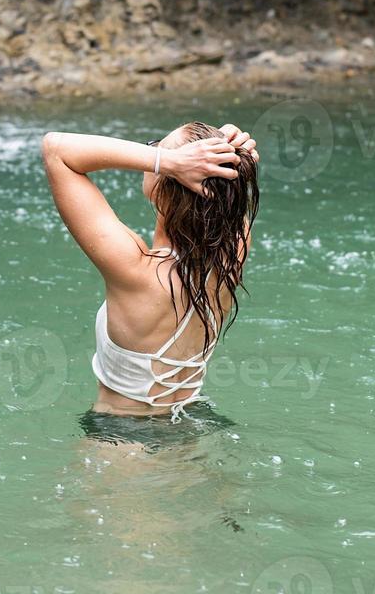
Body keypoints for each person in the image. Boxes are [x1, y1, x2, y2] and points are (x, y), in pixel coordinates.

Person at [41, 122, 260, 429]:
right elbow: (225, 198)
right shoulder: (233, 250)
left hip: (123, 443)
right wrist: (233, 156)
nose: (149, 151)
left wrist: (167, 162)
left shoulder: (136, 272)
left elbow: (57, 149)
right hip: (191, 427)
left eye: (154, 146)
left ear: (167, 180)